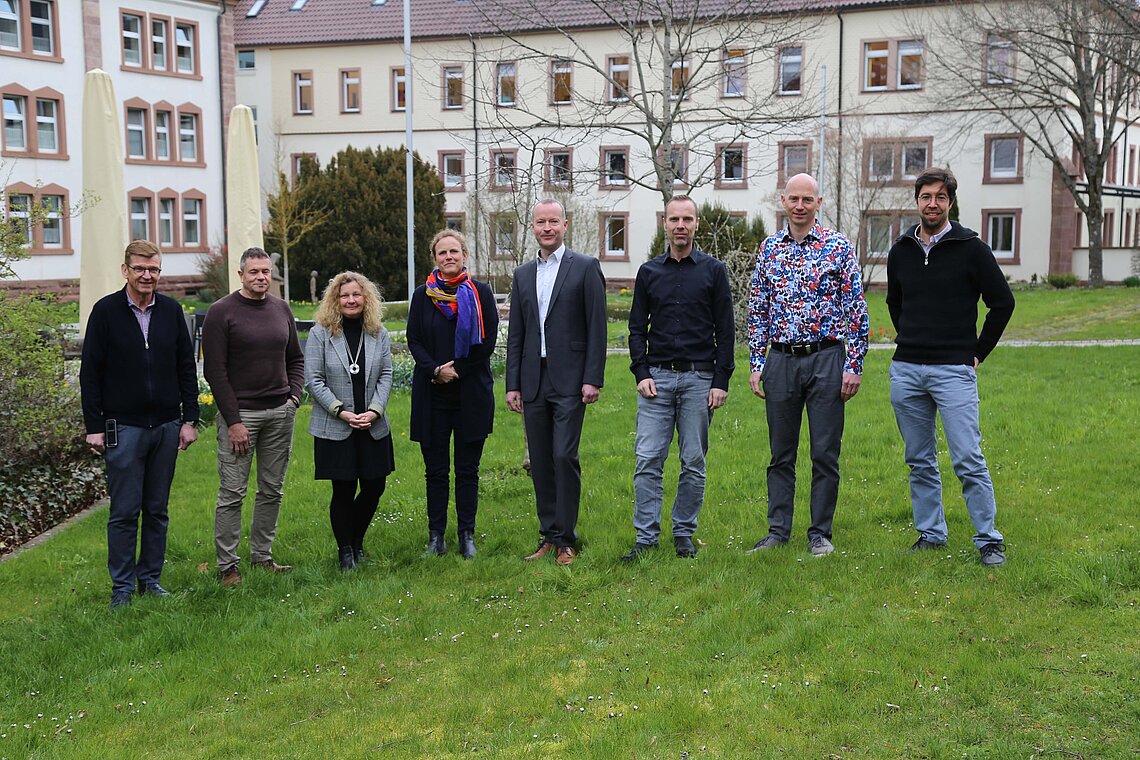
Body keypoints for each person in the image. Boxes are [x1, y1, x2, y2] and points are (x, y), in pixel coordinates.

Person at [886, 167, 1015, 567]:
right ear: (917, 201)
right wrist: (910, 335)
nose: (933, 204)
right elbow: (895, 302)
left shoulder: (971, 247)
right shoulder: (901, 249)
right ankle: (931, 533)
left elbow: (1002, 303)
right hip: (906, 370)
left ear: (950, 202)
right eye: (926, 197)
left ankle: (988, 539)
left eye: (941, 197)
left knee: (967, 457)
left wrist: (977, 352)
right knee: (919, 459)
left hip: (954, 370)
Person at [746, 173, 869, 557]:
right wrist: (756, 361)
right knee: (780, 453)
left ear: (819, 202)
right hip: (781, 361)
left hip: (826, 359)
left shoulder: (838, 247)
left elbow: (856, 310)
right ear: (783, 201)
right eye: (793, 199)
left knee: (824, 453)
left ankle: (820, 533)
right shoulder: (769, 249)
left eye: (807, 199)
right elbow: (758, 309)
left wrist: (854, 364)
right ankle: (778, 531)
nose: (799, 206)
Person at [80, 240, 199, 608]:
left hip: (165, 426)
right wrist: (94, 425)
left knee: (157, 509)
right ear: (125, 270)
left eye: (153, 270)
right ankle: (123, 588)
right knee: (124, 511)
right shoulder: (106, 312)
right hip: (124, 428)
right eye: (139, 269)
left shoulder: (171, 310)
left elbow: (186, 367)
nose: (147, 276)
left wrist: (190, 418)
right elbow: (90, 373)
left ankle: (150, 578)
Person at [622, 195, 735, 561]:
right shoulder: (649, 272)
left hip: (699, 380)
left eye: (687, 219)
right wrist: (640, 371)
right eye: (674, 219)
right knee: (647, 460)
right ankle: (645, 538)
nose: (681, 225)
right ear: (665, 224)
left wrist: (720, 381)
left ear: (696, 224)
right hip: (655, 380)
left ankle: (684, 533)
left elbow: (727, 330)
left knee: (693, 461)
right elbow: (636, 328)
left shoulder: (714, 271)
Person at [506, 198, 607, 566]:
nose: (547, 228)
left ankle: (567, 539)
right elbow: (516, 333)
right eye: (540, 222)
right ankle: (549, 534)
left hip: (570, 379)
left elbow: (597, 327)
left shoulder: (584, 267)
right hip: (533, 380)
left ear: (565, 225)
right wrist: (512, 384)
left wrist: (592, 378)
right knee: (542, 461)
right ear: (532, 227)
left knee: (564, 455)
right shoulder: (521, 275)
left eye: (553, 222)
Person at [202, 246, 305, 586]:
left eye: (265, 273)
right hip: (241, 416)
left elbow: (295, 358)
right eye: (254, 272)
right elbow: (214, 371)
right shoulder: (221, 312)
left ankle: (262, 556)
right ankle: (227, 566)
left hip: (280, 413)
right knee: (232, 492)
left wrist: (293, 397)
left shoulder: (281, 309)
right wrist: (233, 421)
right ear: (241, 274)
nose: (261, 278)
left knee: (272, 490)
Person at [407, 230, 499, 559]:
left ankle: (467, 535)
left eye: (454, 251)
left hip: (471, 393)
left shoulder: (480, 293)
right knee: (435, 471)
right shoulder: (422, 296)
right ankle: (436, 537)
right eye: (442, 252)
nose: (449, 257)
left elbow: (487, 342)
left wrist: (458, 369)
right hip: (432, 395)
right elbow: (413, 339)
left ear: (465, 255)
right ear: (435, 258)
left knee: (467, 470)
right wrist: (435, 370)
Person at [305, 271, 394, 570]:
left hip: (372, 424)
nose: (351, 300)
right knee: (342, 489)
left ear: (366, 297)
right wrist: (340, 410)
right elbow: (314, 380)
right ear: (335, 299)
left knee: (374, 486)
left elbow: (386, 374)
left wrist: (375, 409)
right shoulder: (320, 333)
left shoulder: (377, 332)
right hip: (336, 425)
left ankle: (356, 539)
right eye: (345, 296)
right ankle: (346, 551)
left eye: (356, 295)